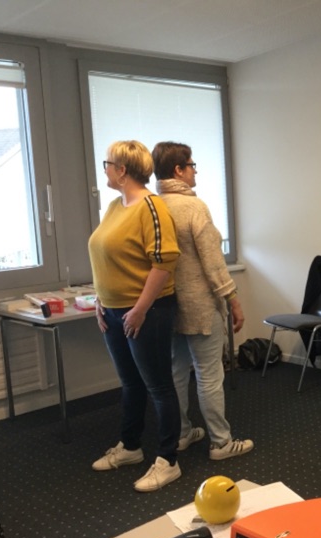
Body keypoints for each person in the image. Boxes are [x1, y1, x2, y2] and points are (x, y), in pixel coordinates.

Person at [88, 140, 183, 492]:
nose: (105, 169)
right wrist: (100, 299)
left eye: (108, 163)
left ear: (122, 170)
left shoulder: (151, 207)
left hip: (148, 311)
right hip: (113, 311)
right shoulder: (116, 206)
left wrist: (140, 309)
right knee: (130, 383)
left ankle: (168, 461)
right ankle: (130, 447)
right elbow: (107, 255)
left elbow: (164, 262)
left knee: (159, 385)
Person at [152, 141, 254, 461]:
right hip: (199, 306)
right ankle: (221, 443)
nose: (195, 171)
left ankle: (182, 434)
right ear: (178, 170)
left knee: (177, 372)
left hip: (168, 305)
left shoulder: (152, 207)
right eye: (191, 165)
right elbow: (213, 262)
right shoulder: (193, 207)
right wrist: (233, 300)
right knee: (209, 374)